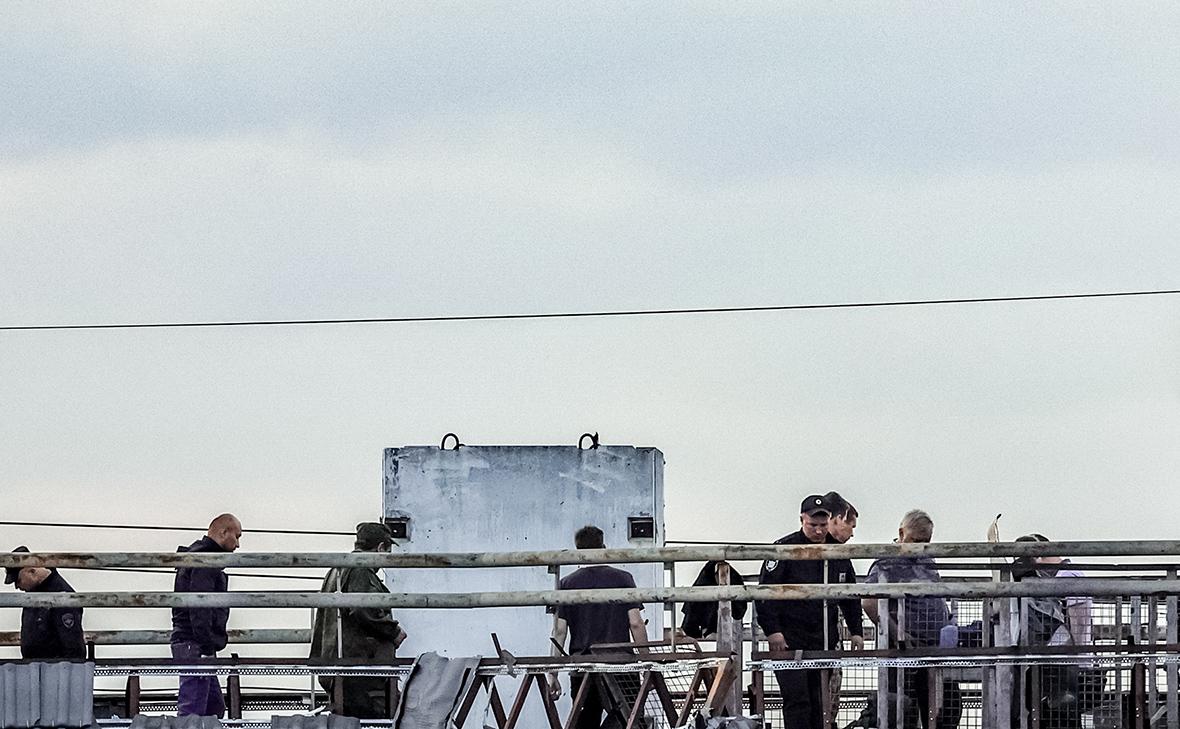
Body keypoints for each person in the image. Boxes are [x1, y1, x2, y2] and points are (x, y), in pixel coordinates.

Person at [757, 495, 864, 729]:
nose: (818, 531)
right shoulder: (784, 549)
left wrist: (856, 630)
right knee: (797, 700)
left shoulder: (837, 553)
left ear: (829, 521)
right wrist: (773, 631)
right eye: (813, 525)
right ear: (801, 520)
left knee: (819, 702)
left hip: (823, 640)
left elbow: (850, 594)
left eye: (823, 525)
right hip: (789, 640)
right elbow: (765, 594)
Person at [862, 510, 961, 729]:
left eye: (926, 541)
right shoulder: (886, 562)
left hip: (936, 649)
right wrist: (896, 631)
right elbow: (868, 602)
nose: (920, 546)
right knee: (904, 709)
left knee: (947, 705)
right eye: (916, 540)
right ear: (901, 533)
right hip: (905, 650)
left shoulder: (928, 558)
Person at [548, 525, 648, 729]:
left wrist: (553, 673)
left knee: (585, 723)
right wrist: (648, 662)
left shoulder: (566, 584)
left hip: (583, 665)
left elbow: (559, 631)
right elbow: (636, 623)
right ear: (603, 547)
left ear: (578, 552)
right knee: (628, 721)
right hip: (621, 664)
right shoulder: (623, 579)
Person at [310, 522, 408, 719]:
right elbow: (364, 609)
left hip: (339, 666)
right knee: (375, 720)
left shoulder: (337, 569)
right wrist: (393, 631)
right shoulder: (360, 569)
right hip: (360, 670)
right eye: (387, 553)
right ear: (380, 548)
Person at [1011, 534, 1092, 729]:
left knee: (1061, 713)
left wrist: (1078, 655)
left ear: (1038, 556)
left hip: (1067, 662)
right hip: (1063, 661)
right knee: (1059, 713)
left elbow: (1079, 621)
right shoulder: (1063, 575)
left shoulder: (1067, 576)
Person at [170, 513, 242, 717]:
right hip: (196, 644)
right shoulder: (206, 562)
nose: (238, 545)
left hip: (194, 643)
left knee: (212, 708)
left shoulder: (199, 558)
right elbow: (200, 608)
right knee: (193, 711)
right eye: (236, 536)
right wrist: (207, 646)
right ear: (223, 532)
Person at [5, 545, 86, 660]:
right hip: (38, 666)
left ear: (32, 571)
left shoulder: (62, 596)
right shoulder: (33, 593)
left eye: (18, 580)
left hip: (54, 667)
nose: (17, 586)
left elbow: (72, 645)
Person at [822, 491, 857, 727]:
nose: (852, 533)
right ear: (837, 519)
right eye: (850, 525)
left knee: (830, 694)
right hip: (812, 634)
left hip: (830, 635)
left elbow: (850, 597)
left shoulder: (842, 557)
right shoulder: (839, 554)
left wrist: (856, 630)